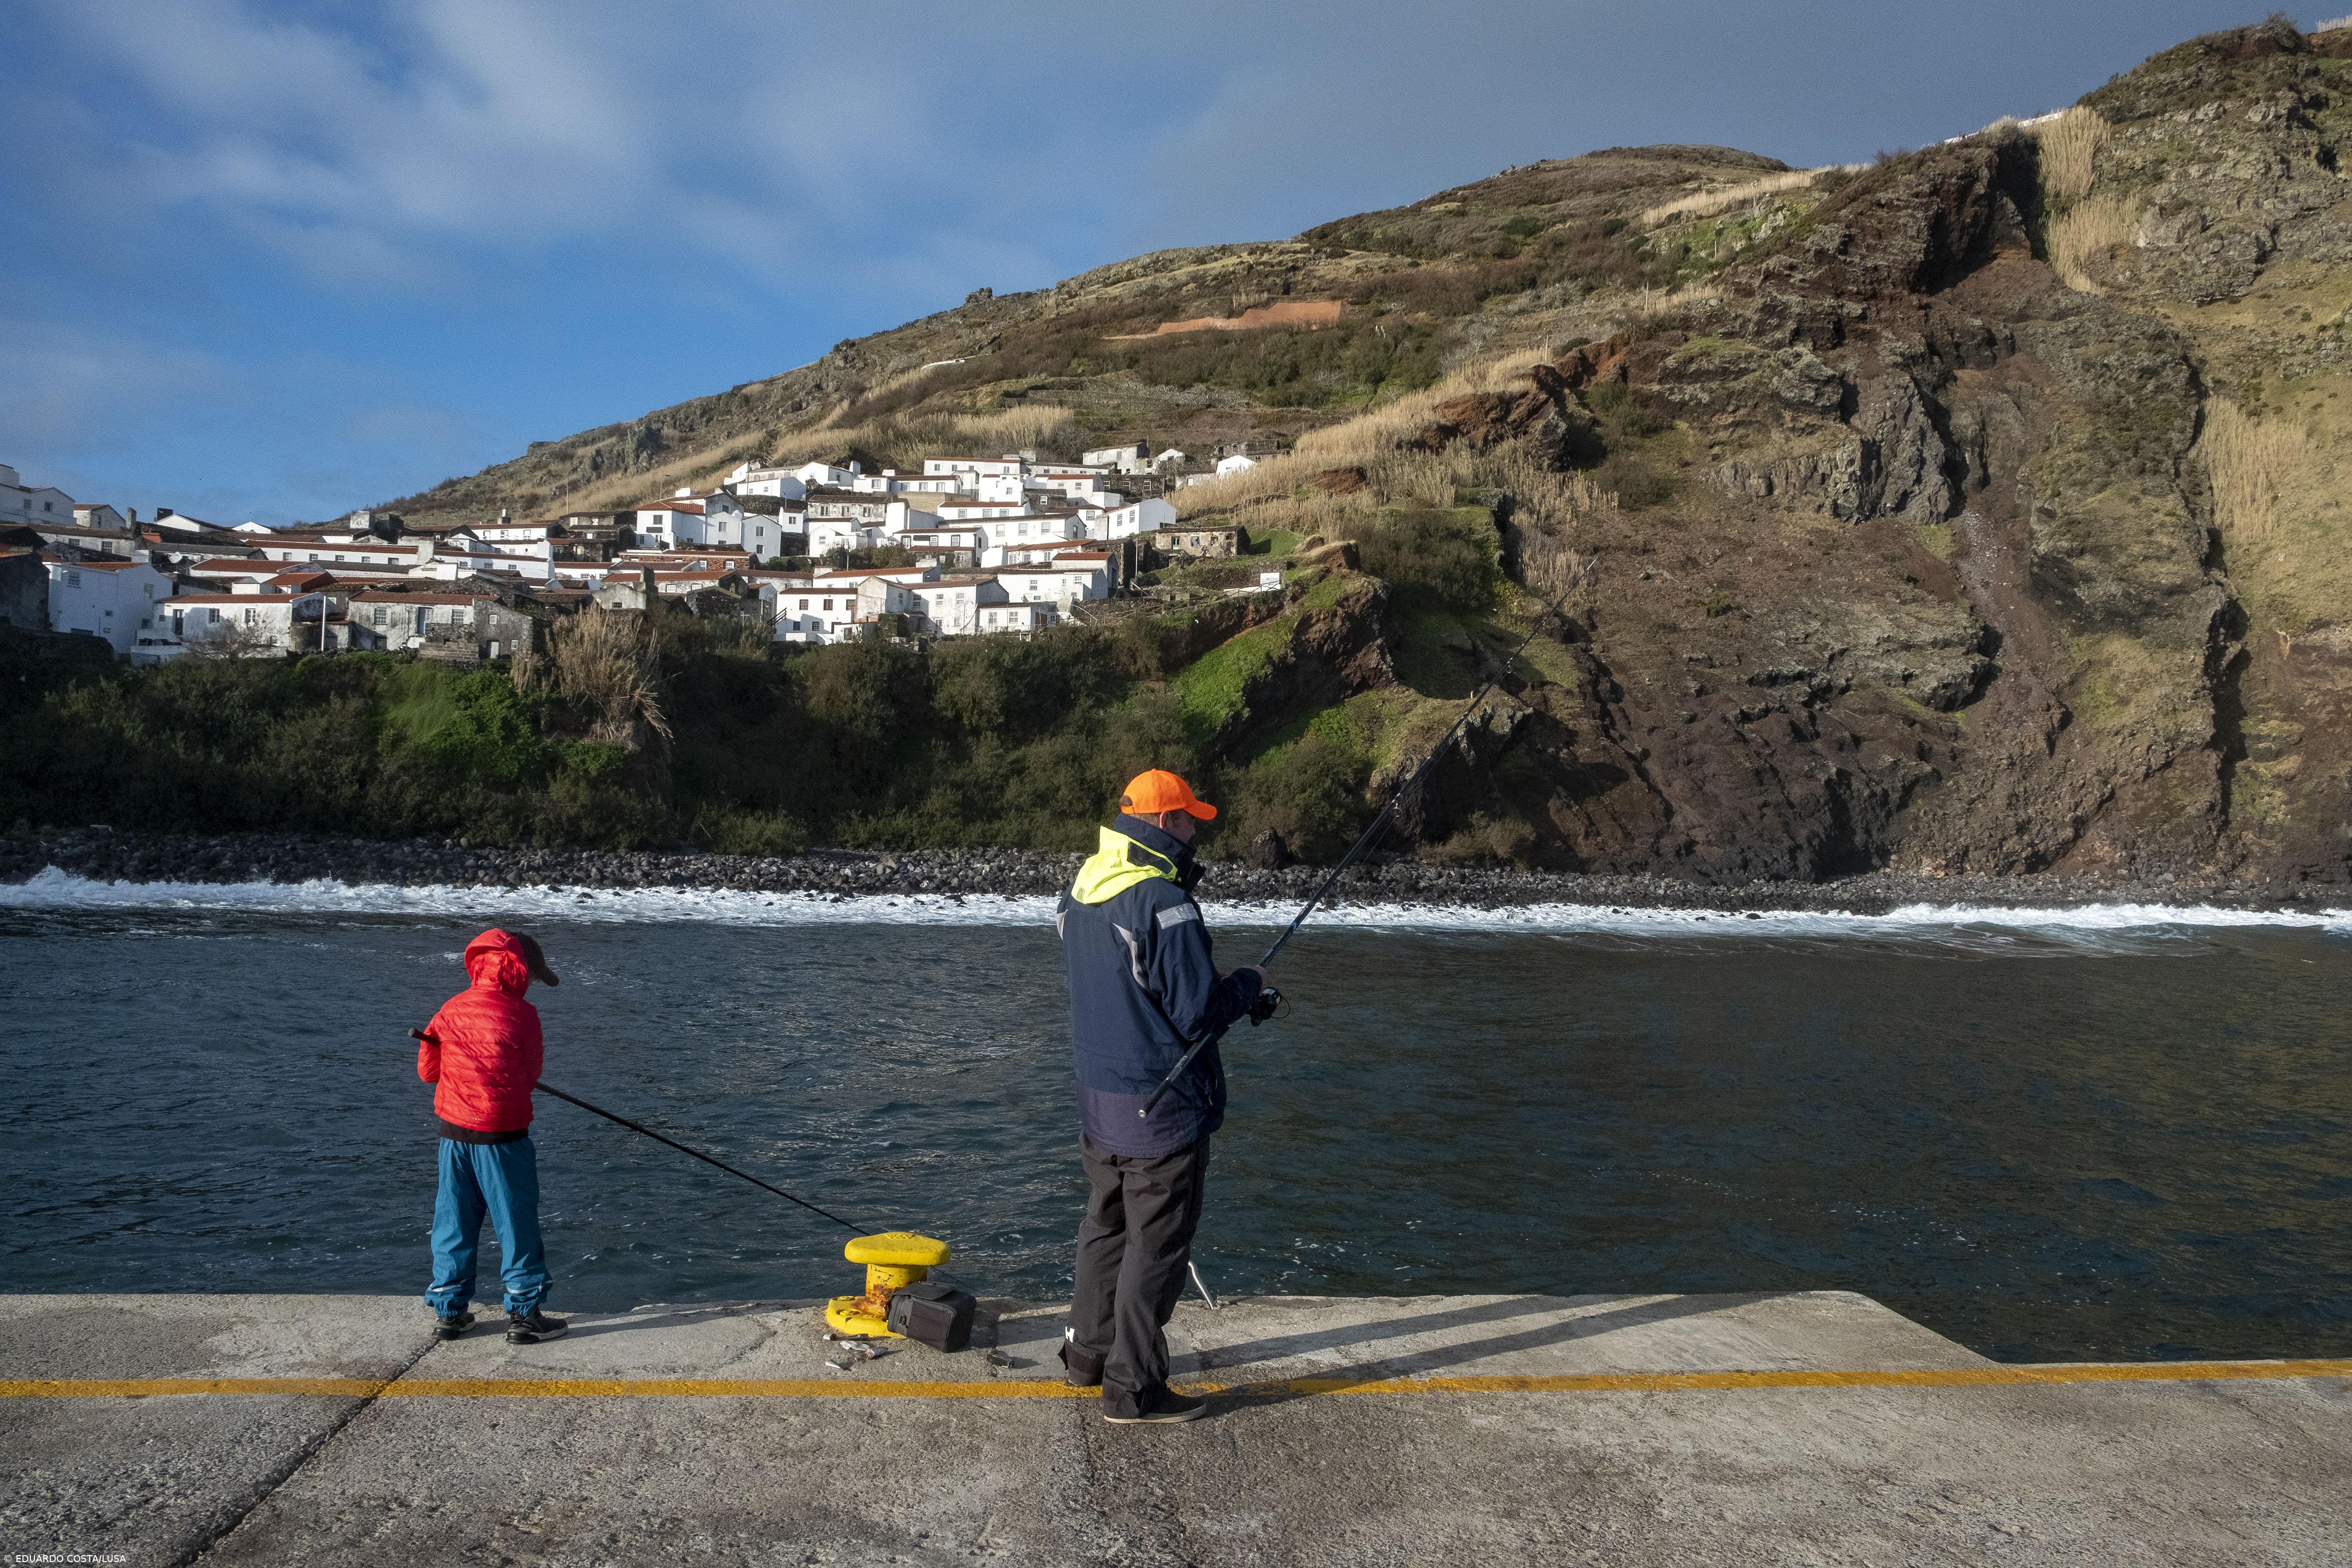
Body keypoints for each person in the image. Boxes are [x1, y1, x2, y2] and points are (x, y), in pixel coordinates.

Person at [1056, 770, 1268, 1423]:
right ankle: (1134, 1389)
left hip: (1099, 1103)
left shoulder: (1083, 887)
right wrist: (1249, 984)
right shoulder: (1164, 903)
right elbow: (1198, 1012)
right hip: (1161, 1112)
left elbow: (1128, 986)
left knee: (1104, 1229)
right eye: (1188, 819)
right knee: (1156, 1250)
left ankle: (1086, 1358)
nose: (1196, 830)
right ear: (1165, 821)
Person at [416, 928, 568, 1345]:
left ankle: (450, 1313)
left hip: (454, 1136)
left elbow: (428, 1072)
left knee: (454, 1221)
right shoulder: (523, 1015)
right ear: (519, 972)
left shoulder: (450, 1009)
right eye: (532, 977)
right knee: (516, 1223)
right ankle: (525, 1315)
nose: (531, 984)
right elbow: (530, 1076)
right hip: (503, 1137)